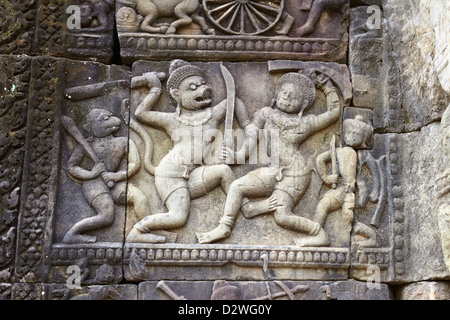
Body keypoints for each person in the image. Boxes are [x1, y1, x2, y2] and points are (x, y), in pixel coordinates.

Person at [196, 71, 342, 244]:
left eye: (293, 97)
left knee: (282, 215)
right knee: (237, 186)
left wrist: (327, 87)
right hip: (274, 170)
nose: (286, 98)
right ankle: (224, 227)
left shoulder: (306, 123)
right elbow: (249, 144)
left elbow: (334, 113)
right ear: (276, 94)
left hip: (297, 173)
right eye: (284, 93)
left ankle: (319, 234)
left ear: (303, 104)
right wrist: (235, 156)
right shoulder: (265, 114)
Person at [126, 60, 255, 243]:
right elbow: (141, 113)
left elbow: (233, 102)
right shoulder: (172, 120)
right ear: (177, 95)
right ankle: (138, 230)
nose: (202, 89)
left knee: (224, 171)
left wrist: (246, 132)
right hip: (170, 174)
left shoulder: (213, 114)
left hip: (192, 174)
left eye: (203, 84)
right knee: (178, 217)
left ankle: (244, 209)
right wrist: (155, 89)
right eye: (192, 88)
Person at [63, 109, 133, 243]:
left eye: (110, 116)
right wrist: (91, 173)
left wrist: (118, 175)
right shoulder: (87, 145)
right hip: (93, 183)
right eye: (104, 119)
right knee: (107, 216)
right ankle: (71, 234)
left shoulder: (123, 142)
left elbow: (129, 165)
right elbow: (71, 167)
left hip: (113, 181)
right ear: (91, 127)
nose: (112, 120)